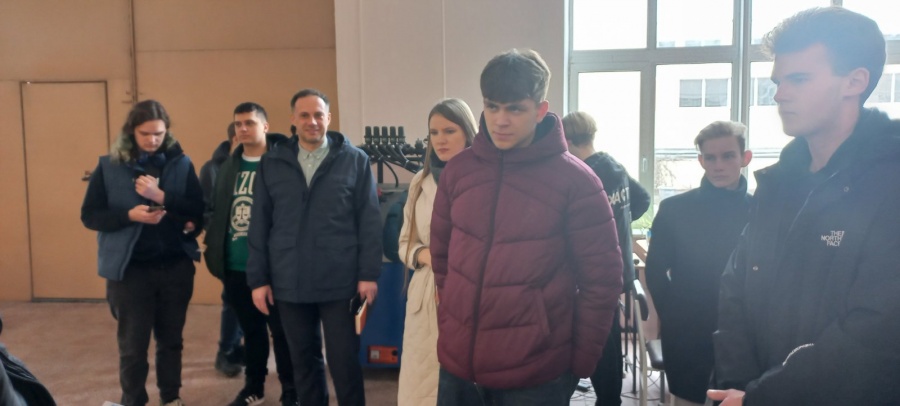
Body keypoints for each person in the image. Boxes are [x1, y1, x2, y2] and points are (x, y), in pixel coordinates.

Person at [708, 7, 900, 406]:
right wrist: (738, 387)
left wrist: (763, 396)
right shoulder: (778, 183)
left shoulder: (889, 183)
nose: (779, 94)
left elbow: (876, 331)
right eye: (778, 81)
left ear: (855, 81)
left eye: (798, 79)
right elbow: (735, 288)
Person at [431, 49, 623, 406]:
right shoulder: (458, 172)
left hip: (536, 373)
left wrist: (580, 363)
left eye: (515, 109)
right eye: (492, 107)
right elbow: (442, 261)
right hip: (459, 367)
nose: (500, 120)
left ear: (540, 110)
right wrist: (451, 323)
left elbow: (602, 282)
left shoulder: (577, 182)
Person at [246, 89, 382, 406]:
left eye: (318, 115)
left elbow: (369, 221)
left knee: (344, 362)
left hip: (340, 281)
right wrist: (259, 279)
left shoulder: (354, 160)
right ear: (293, 119)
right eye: (304, 115)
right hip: (289, 280)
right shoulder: (272, 163)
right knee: (303, 362)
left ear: (329, 118)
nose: (312, 121)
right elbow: (259, 224)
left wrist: (368, 274)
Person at [81, 100, 203, 406]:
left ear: (167, 131)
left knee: (171, 341)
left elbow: (197, 210)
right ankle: (133, 400)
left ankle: (171, 398)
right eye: (145, 134)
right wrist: (129, 216)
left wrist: (162, 197)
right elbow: (90, 216)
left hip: (175, 267)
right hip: (131, 272)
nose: (152, 140)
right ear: (131, 132)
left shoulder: (182, 164)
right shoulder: (109, 166)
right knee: (133, 347)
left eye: (159, 134)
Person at [642, 121, 751, 406]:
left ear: (745, 157)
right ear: (701, 160)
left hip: (745, 334)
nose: (719, 165)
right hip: (688, 332)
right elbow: (655, 270)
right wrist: (673, 315)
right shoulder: (675, 210)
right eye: (710, 158)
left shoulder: (761, 211)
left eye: (728, 156)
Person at [204, 103, 295, 406]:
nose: (243, 129)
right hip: (236, 265)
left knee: (282, 333)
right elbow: (217, 211)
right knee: (251, 333)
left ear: (265, 126)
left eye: (250, 123)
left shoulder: (283, 163)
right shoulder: (227, 167)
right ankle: (254, 388)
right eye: (238, 124)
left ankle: (291, 392)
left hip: (275, 268)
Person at [562, 111, 651, 406]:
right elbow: (643, 199)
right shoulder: (614, 166)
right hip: (619, 269)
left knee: (593, 340)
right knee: (607, 337)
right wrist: (617, 224)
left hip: (596, 274)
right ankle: (610, 398)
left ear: (567, 140)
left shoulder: (584, 174)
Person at [397, 98, 477, 406]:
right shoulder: (420, 181)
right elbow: (404, 243)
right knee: (423, 387)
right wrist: (425, 255)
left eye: (449, 131)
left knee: (466, 387)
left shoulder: (485, 180)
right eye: (434, 132)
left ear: (468, 132)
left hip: (470, 292)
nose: (440, 139)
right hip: (426, 294)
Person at [199, 122, 245, 378]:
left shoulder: (261, 165)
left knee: (252, 301)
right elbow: (205, 209)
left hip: (254, 247)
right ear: (232, 141)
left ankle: (240, 348)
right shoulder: (212, 169)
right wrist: (220, 234)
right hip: (227, 246)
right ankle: (225, 351)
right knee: (233, 299)